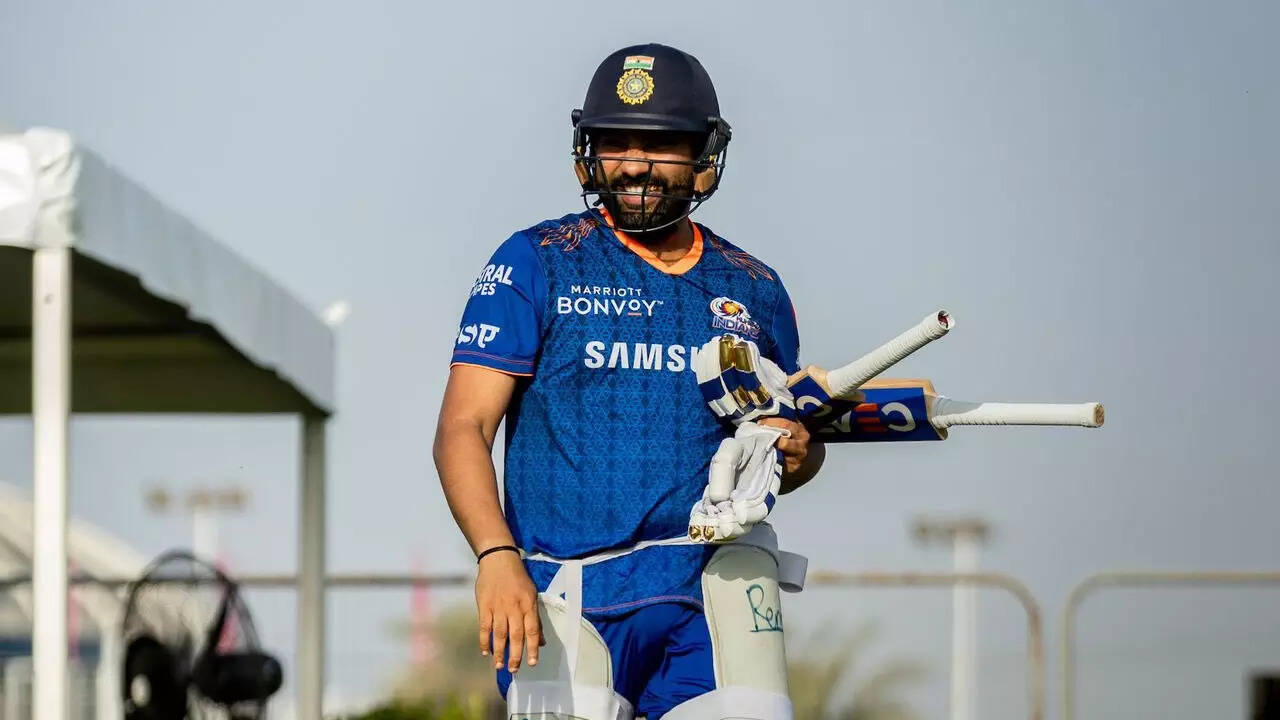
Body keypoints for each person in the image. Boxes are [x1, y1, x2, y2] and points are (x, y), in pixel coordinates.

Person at [434, 42, 824, 720]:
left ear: (703, 157)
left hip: (713, 588)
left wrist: (799, 453)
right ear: (588, 151)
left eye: (661, 143)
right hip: (566, 588)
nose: (635, 163)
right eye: (615, 141)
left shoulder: (755, 288)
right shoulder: (536, 261)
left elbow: (783, 457)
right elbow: (462, 428)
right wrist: (494, 555)